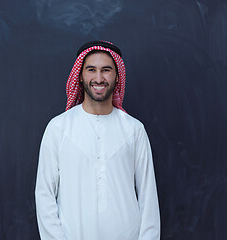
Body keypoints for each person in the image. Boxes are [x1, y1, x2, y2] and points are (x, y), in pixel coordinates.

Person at [35, 40, 160, 240]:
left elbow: (148, 198)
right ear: (81, 75)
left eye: (106, 70)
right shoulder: (58, 128)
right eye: (91, 70)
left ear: (117, 76)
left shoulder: (134, 130)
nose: (99, 78)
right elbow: (45, 197)